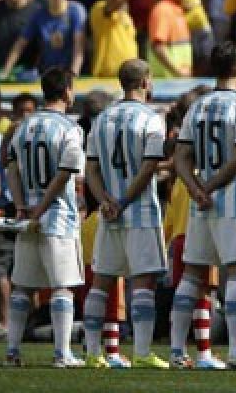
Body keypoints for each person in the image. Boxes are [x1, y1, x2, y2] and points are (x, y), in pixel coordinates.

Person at [169, 42, 236, 370]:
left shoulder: (197, 107)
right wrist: (207, 187)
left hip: (200, 205)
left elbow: (180, 158)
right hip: (233, 202)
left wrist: (195, 189)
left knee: (192, 274)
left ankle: (178, 351)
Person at [83, 59, 169, 369]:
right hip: (140, 210)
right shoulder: (152, 119)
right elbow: (149, 166)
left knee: (102, 282)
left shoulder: (102, 119)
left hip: (109, 213)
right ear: (145, 82)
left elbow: (90, 167)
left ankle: (93, 352)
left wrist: (104, 199)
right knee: (143, 282)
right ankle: (143, 352)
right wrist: (124, 199)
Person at [3, 66, 85, 368]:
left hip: (28, 217)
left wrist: (22, 205)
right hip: (57, 216)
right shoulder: (69, 128)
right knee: (61, 286)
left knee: (23, 285)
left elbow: (10, 166)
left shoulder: (24, 125)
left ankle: (12, 351)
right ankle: (62, 354)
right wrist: (41, 208)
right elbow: (65, 174)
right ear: (66, 91)